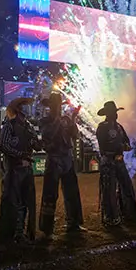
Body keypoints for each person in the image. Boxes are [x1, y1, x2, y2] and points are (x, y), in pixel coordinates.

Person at [0, 97, 40, 251]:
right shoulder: (10, 125)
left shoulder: (28, 126)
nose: (28, 108)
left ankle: (19, 234)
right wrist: (21, 154)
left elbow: (36, 145)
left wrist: (38, 143)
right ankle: (8, 237)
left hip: (25, 170)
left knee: (24, 203)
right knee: (12, 203)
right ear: (19, 109)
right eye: (25, 106)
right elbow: (3, 145)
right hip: (15, 170)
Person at [38, 92, 86, 240]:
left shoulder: (64, 119)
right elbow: (48, 135)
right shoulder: (45, 121)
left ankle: (74, 222)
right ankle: (47, 229)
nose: (58, 108)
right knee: (50, 194)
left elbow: (75, 134)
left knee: (72, 192)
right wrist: (59, 120)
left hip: (67, 158)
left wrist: (73, 118)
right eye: (55, 105)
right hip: (54, 159)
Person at [96, 101, 136, 227]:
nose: (116, 115)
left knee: (127, 187)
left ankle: (129, 215)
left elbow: (126, 141)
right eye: (113, 112)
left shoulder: (119, 127)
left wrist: (125, 146)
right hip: (108, 161)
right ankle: (110, 217)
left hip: (119, 160)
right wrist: (120, 148)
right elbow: (103, 146)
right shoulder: (102, 127)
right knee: (109, 190)